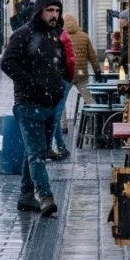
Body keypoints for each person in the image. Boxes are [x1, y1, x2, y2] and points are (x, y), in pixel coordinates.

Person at [0, 0, 68, 217]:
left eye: (57, 11)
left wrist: (59, 86)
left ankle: (25, 195)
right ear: (39, 11)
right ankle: (45, 195)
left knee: (36, 152)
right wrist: (32, 84)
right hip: (28, 104)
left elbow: (58, 65)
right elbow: (7, 63)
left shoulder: (55, 35)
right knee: (37, 153)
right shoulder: (23, 34)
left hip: (50, 102)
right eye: (50, 10)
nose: (54, 15)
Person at [47, 26, 77, 160]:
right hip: (62, 78)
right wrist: (69, 77)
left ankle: (57, 145)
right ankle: (55, 146)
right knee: (56, 114)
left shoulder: (43, 34)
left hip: (50, 79)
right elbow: (71, 59)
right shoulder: (62, 35)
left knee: (54, 114)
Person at [64, 13, 102, 117]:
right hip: (81, 74)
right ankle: (96, 119)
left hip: (67, 75)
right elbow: (92, 56)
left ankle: (63, 126)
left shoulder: (61, 38)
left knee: (61, 102)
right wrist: (97, 71)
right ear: (76, 23)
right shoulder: (84, 36)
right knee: (88, 98)